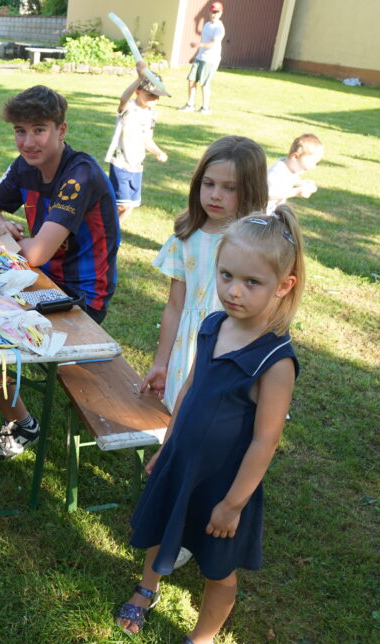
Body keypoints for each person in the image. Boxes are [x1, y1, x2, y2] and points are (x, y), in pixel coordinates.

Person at [118, 207, 305, 644]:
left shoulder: (275, 360)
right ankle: (147, 588)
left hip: (224, 483)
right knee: (162, 527)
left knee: (218, 569)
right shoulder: (212, 325)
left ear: (283, 285)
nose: (234, 291)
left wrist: (233, 504)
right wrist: (168, 446)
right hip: (182, 461)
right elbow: (189, 389)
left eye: (252, 282)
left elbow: (265, 440)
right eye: (226, 276)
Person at [0, 85, 120, 462]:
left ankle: (22, 423)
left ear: (61, 130)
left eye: (39, 130)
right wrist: (3, 227)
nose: (27, 142)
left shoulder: (80, 175)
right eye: (20, 131)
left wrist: (15, 242)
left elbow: (36, 253)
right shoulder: (27, 165)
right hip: (36, 281)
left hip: (79, 298)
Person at [141, 136, 268, 411]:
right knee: (182, 417)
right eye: (208, 183)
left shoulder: (259, 245)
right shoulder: (185, 239)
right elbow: (175, 307)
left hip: (236, 350)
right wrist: (161, 363)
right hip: (188, 351)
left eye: (229, 188)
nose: (215, 195)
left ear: (251, 189)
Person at [105, 60, 170, 225]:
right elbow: (123, 98)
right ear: (138, 91)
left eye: (157, 96)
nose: (153, 98)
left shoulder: (152, 114)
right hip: (121, 162)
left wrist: (158, 152)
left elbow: (147, 139)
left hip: (136, 165)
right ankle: (107, 227)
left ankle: (114, 231)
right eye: (150, 94)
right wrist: (139, 78)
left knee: (131, 205)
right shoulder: (129, 108)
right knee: (122, 205)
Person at [178, 1, 225, 114]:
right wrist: (195, 56)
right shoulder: (207, 25)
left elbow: (213, 44)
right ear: (209, 12)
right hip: (200, 57)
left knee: (204, 84)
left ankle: (205, 108)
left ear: (221, 13)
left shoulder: (219, 28)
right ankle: (190, 105)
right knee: (191, 80)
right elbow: (204, 41)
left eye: (216, 12)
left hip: (210, 59)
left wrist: (198, 45)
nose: (214, 14)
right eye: (212, 12)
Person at [266, 133, 322, 213]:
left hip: (273, 212)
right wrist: (296, 192)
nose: (313, 166)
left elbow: (292, 178)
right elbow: (268, 194)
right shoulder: (277, 171)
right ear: (295, 157)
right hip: (260, 215)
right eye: (312, 162)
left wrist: (302, 183)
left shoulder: (291, 169)